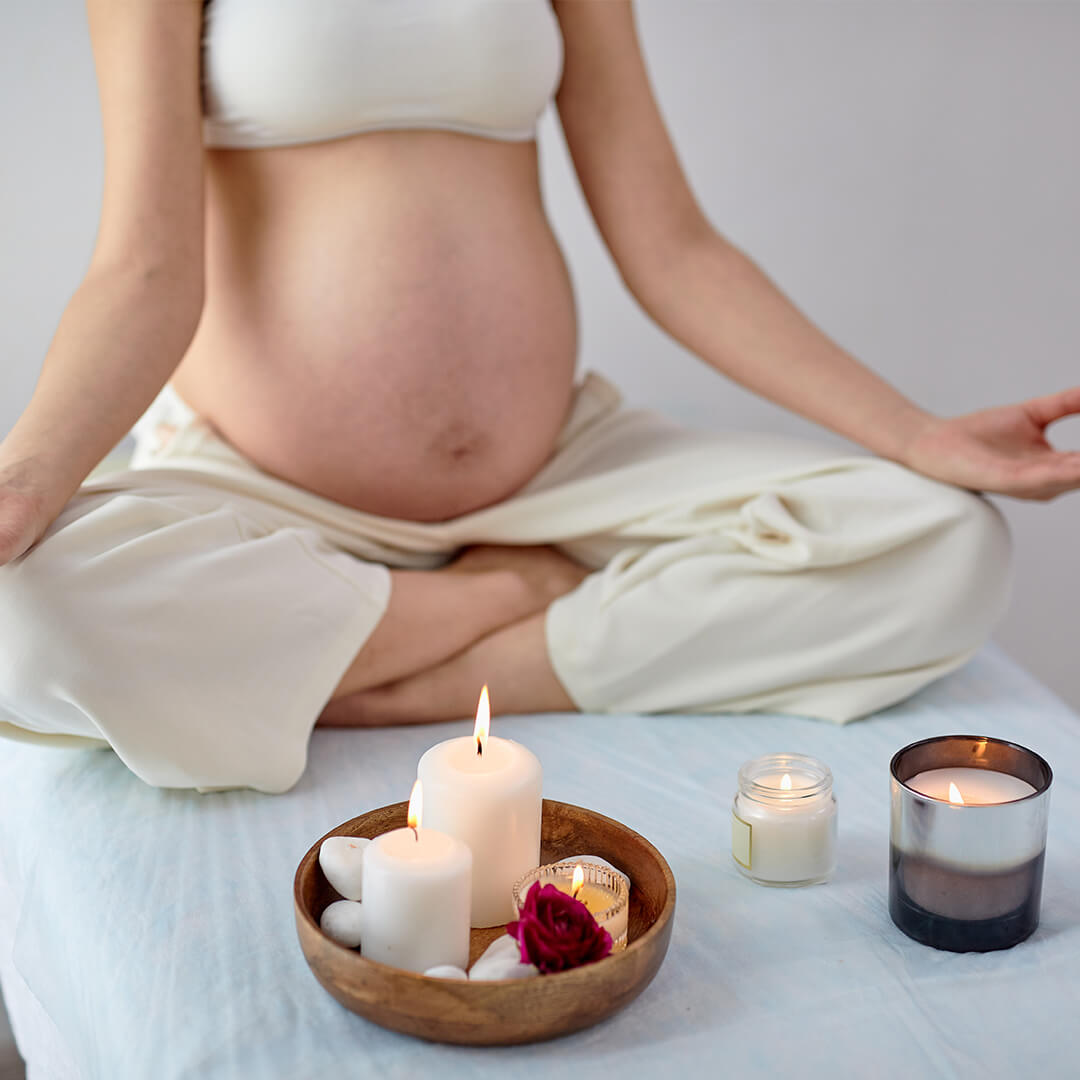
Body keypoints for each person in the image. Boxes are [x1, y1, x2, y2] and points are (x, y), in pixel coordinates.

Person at [0, 0, 1074, 792]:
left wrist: (920, 436)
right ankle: (499, 598)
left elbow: (674, 248)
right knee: (19, 615)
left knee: (944, 541)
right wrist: (27, 475)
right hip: (265, 479)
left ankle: (393, 671)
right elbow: (145, 271)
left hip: (554, 471)